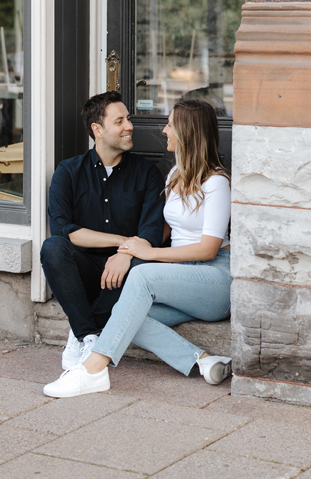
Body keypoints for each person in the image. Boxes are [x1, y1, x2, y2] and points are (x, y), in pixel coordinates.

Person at [42, 98, 234, 398]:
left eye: (170, 124)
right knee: (125, 316)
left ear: (187, 132)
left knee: (141, 277)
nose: (163, 129)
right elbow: (163, 230)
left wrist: (144, 254)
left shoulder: (217, 182)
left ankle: (93, 370)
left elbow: (208, 249)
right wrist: (134, 249)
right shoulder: (175, 176)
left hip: (214, 279)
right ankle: (203, 360)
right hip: (178, 276)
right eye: (120, 121)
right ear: (97, 129)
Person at [40, 91, 167, 370]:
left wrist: (125, 255)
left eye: (129, 119)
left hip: (128, 273)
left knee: (141, 261)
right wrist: (123, 242)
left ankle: (81, 331)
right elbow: (65, 230)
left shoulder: (147, 173)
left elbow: (151, 232)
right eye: (119, 121)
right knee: (52, 247)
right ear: (97, 129)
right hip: (85, 271)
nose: (129, 126)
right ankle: (88, 335)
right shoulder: (69, 172)